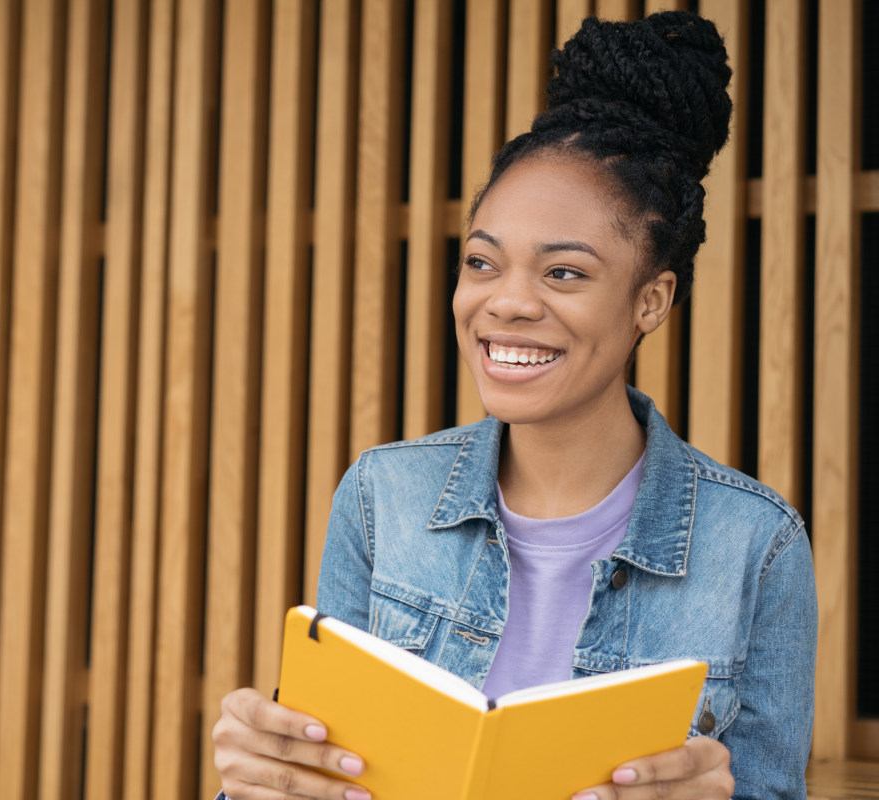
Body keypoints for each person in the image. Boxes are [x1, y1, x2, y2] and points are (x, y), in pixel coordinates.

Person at [211, 11, 816, 800]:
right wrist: (257, 781)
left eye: (563, 273)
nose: (508, 303)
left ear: (652, 300)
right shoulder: (380, 498)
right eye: (482, 262)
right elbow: (321, 773)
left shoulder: (757, 546)